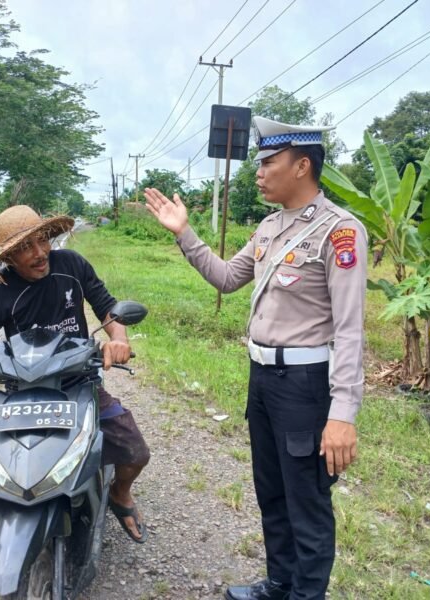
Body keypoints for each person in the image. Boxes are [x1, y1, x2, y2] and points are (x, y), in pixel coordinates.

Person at [144, 117, 367, 600]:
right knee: (272, 493)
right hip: (262, 380)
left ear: (302, 165)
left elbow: (350, 331)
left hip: (305, 384)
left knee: (306, 502)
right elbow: (226, 278)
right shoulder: (269, 227)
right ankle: (280, 583)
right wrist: (184, 233)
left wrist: (343, 414)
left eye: (268, 163)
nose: (258, 173)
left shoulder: (340, 232)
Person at [0, 205, 151, 590]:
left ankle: (119, 493)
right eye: (25, 248)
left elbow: (106, 305)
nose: (40, 253)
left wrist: (119, 338)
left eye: (43, 240)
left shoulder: (72, 265)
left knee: (134, 450)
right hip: (20, 389)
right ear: (8, 258)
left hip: (78, 381)